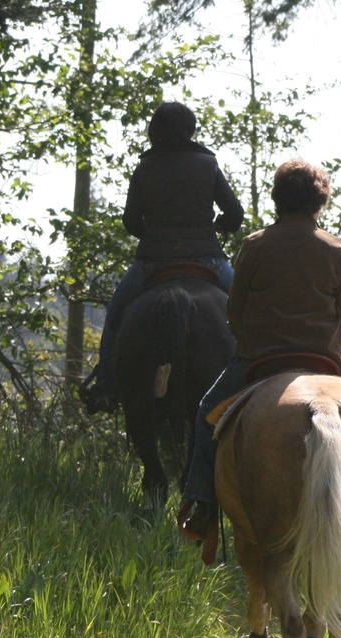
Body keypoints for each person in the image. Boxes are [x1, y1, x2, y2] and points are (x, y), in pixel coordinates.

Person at [176, 157, 341, 543]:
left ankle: (201, 500)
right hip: (327, 358)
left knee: (207, 410)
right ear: (319, 201)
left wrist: (250, 340)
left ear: (278, 199)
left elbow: (234, 310)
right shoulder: (335, 249)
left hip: (260, 357)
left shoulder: (254, 245)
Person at [79, 101, 244, 413]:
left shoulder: (145, 168)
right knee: (250, 312)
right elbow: (235, 213)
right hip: (207, 258)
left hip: (153, 262)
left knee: (115, 316)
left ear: (154, 131)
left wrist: (154, 236)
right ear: (190, 128)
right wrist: (222, 227)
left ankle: (105, 386)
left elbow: (130, 220)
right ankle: (263, 378)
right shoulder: (208, 164)